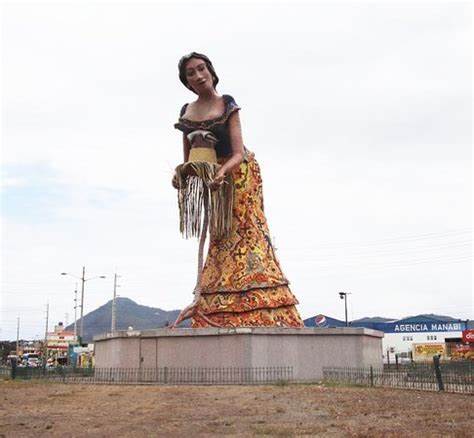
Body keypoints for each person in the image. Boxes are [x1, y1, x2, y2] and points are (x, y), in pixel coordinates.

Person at [173, 52, 304, 328]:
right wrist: (182, 176)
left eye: (201, 69)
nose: (198, 76)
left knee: (245, 232)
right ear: (186, 82)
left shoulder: (227, 104)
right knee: (219, 235)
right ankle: (215, 300)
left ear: (210, 70)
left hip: (239, 176)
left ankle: (258, 300)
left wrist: (222, 172)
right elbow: (188, 158)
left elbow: (237, 152)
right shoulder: (186, 112)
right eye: (191, 73)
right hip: (212, 178)